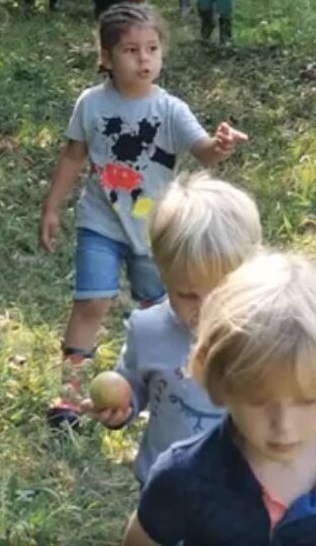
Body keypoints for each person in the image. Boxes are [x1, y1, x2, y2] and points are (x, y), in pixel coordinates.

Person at [38, 2, 248, 428]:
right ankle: (70, 394)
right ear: (106, 57)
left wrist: (221, 145)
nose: (144, 58)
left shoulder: (170, 109)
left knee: (163, 310)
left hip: (156, 228)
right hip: (101, 220)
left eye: (152, 48)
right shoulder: (92, 104)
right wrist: (51, 208)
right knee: (91, 301)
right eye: (131, 50)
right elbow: (74, 155)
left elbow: (203, 151)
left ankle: (154, 387)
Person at [123, 252, 316, 546]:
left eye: (306, 401)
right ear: (222, 385)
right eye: (257, 400)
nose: (284, 425)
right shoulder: (184, 476)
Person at [83, 173, 262, 483]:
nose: (206, 309)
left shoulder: (264, 336)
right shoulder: (148, 329)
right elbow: (134, 384)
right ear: (163, 275)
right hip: (166, 484)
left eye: (222, 293)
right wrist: (123, 407)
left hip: (243, 487)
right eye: (188, 294)